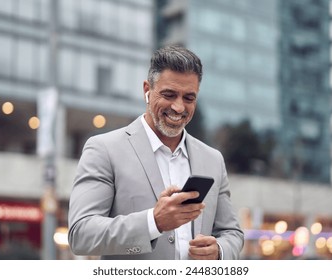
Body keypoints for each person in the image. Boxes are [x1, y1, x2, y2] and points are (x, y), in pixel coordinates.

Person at [68, 45, 244, 260]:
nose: (179, 107)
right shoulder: (104, 149)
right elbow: (81, 234)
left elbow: (232, 233)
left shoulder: (213, 159)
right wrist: (154, 222)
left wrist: (219, 251)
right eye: (169, 94)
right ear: (147, 90)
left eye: (189, 98)